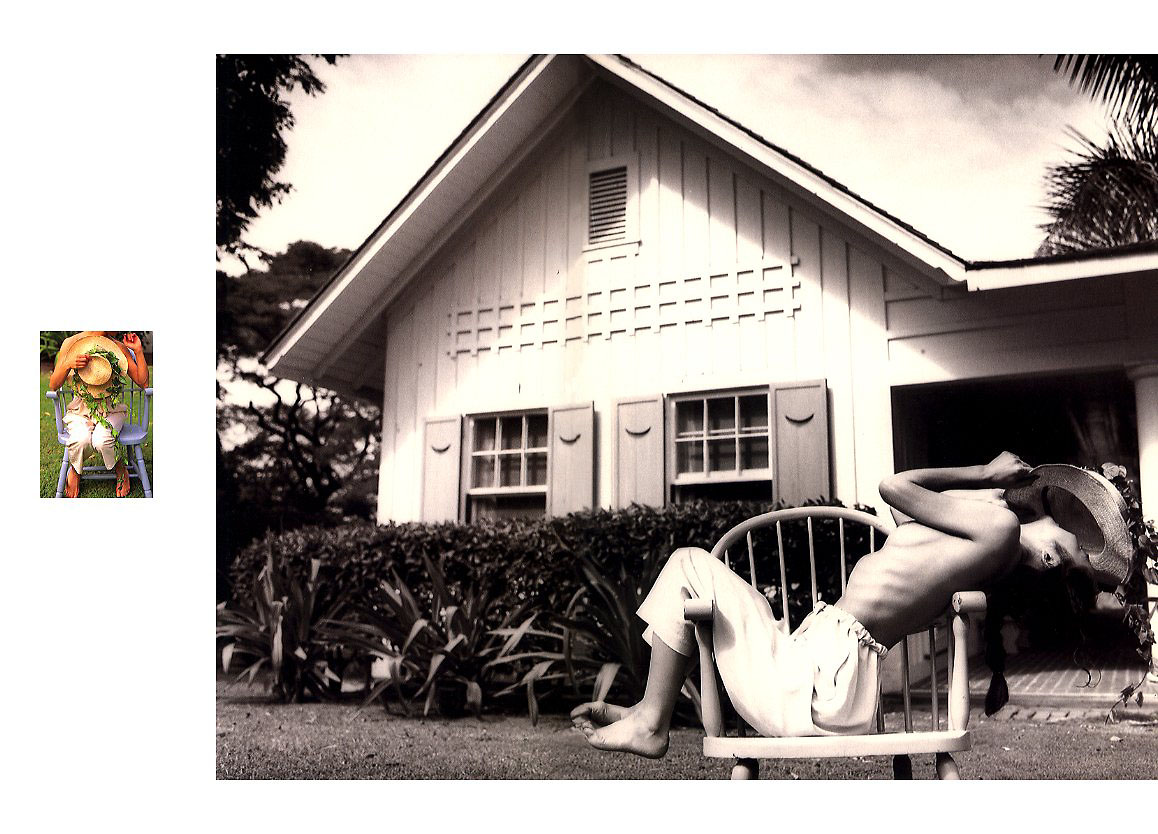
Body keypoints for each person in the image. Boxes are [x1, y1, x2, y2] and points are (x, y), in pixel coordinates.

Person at [571, 452, 1141, 758]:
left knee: (687, 564)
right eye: (1075, 556)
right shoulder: (981, 535)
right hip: (820, 672)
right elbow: (901, 514)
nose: (1058, 565)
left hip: (820, 683)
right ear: (1060, 519)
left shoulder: (999, 533)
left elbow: (893, 487)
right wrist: (985, 489)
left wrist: (981, 473)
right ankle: (647, 710)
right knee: (694, 572)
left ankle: (652, 721)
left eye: (1067, 570)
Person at [49, 331, 149, 498]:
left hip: (111, 410)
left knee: (102, 440)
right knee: (80, 440)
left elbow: (143, 382)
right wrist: (67, 364)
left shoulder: (118, 348)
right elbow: (53, 385)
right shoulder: (71, 343)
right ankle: (76, 469)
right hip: (80, 410)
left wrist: (138, 351)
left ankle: (119, 467)